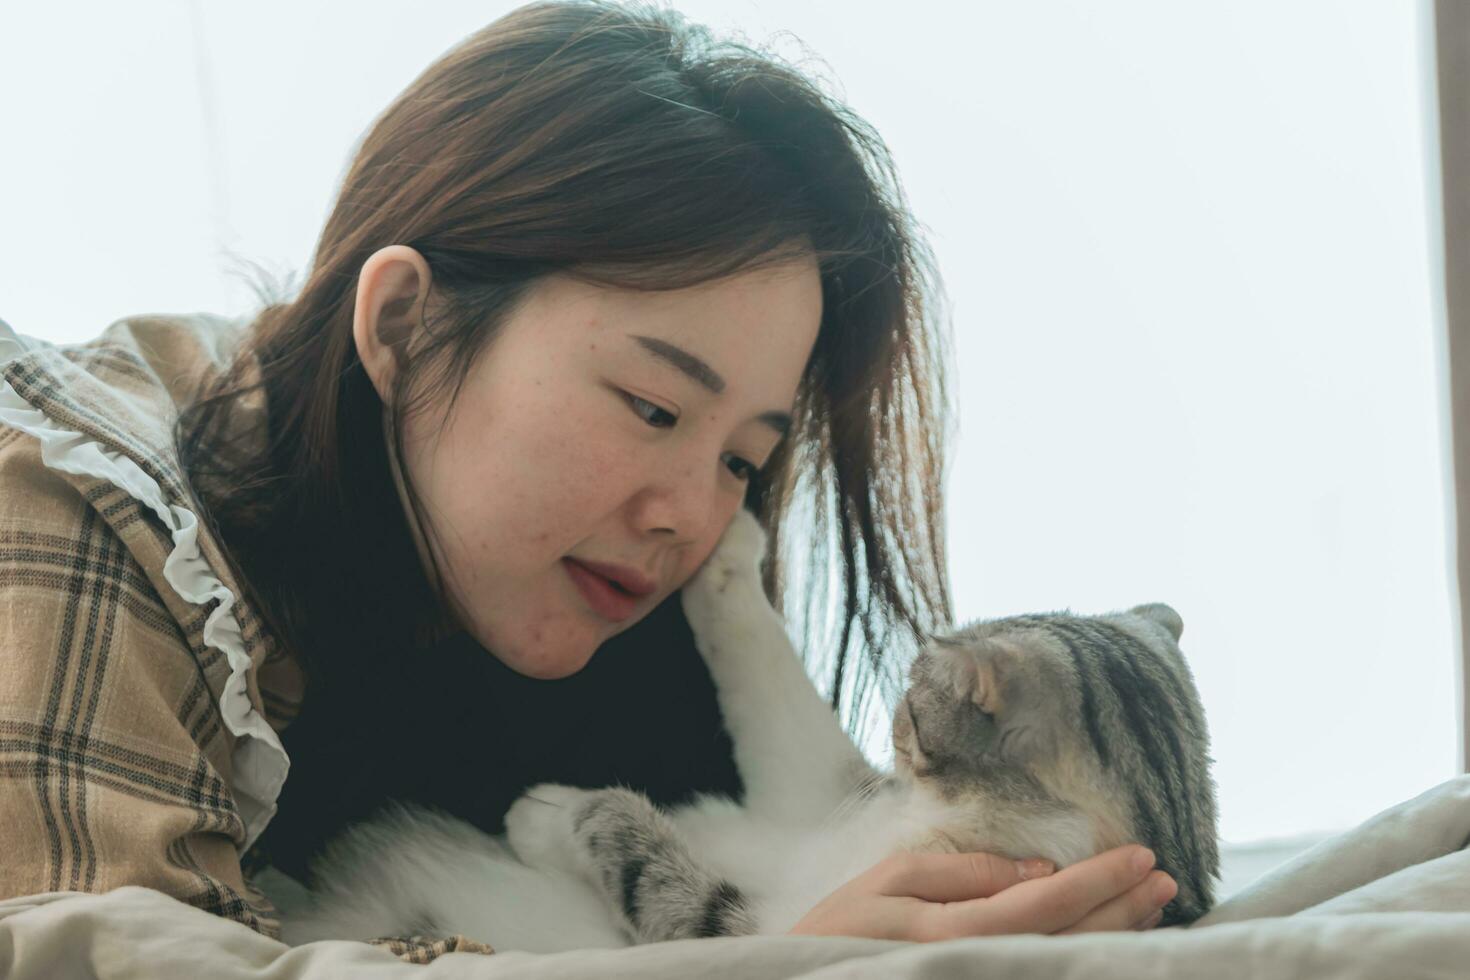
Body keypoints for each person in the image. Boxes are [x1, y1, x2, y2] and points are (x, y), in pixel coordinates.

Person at [0, 0, 1176, 961]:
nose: (691, 511)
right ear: (404, 320)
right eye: (652, 406)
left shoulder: (630, 576)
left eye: (743, 456)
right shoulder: (85, 502)